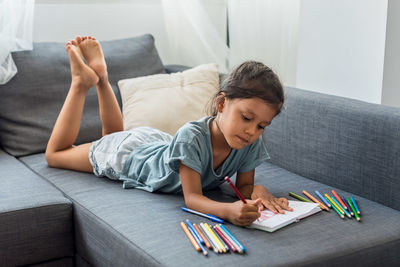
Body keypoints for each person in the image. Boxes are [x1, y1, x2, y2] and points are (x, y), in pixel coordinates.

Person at [46, 36, 293, 227]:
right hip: (133, 158)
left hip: (159, 144)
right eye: (247, 118)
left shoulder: (249, 142)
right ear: (221, 104)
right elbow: (193, 199)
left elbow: (245, 186)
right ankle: (81, 82)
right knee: (57, 155)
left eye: (262, 126)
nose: (252, 131)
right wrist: (228, 211)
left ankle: (101, 76)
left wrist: (259, 192)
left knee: (111, 135)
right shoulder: (192, 137)